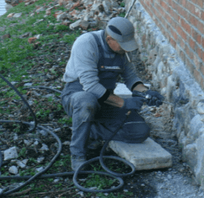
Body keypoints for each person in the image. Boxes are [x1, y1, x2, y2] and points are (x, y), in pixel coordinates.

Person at [61, 16, 161, 171]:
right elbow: (90, 86)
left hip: (105, 101)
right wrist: (124, 103)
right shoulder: (86, 44)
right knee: (87, 101)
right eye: (122, 45)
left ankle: (91, 130)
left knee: (140, 131)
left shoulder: (121, 52)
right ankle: (78, 153)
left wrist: (146, 93)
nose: (124, 49)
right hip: (78, 96)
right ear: (109, 39)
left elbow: (131, 78)